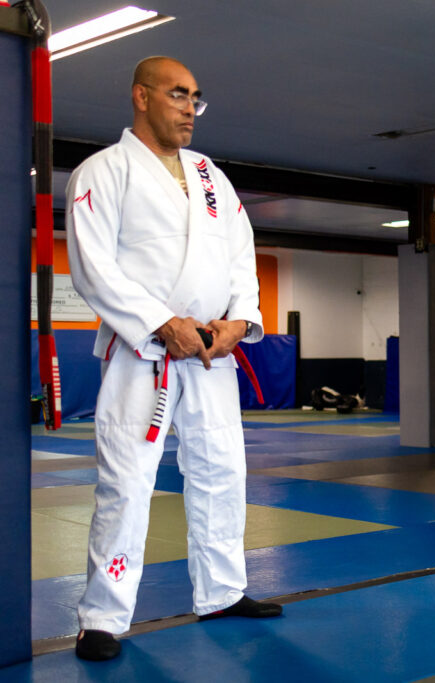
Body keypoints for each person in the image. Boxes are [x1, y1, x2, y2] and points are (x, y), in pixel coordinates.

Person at [65, 56, 281, 661]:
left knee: (222, 471)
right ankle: (102, 617)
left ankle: (222, 591)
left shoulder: (211, 175)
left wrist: (239, 321)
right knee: (127, 480)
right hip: (143, 353)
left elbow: (241, 255)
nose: (190, 109)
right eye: (178, 95)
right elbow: (91, 266)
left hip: (211, 353)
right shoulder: (101, 172)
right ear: (141, 96)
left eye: (196, 98)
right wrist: (163, 323)